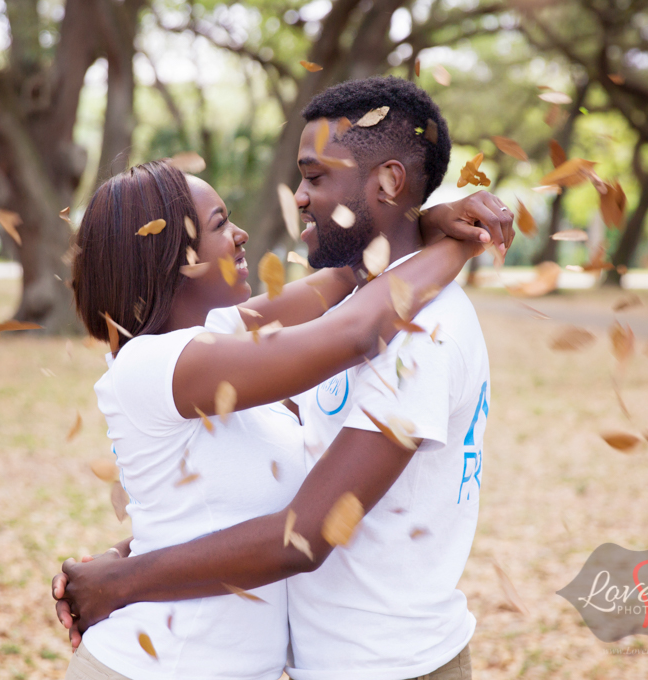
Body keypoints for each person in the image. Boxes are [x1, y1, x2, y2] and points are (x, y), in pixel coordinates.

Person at [56, 76, 513, 680]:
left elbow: (342, 289)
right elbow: (351, 328)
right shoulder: (165, 361)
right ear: (174, 262)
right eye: (221, 223)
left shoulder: (403, 332)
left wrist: (429, 229)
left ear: (387, 180)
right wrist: (449, 246)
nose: (287, 202)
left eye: (314, 176)